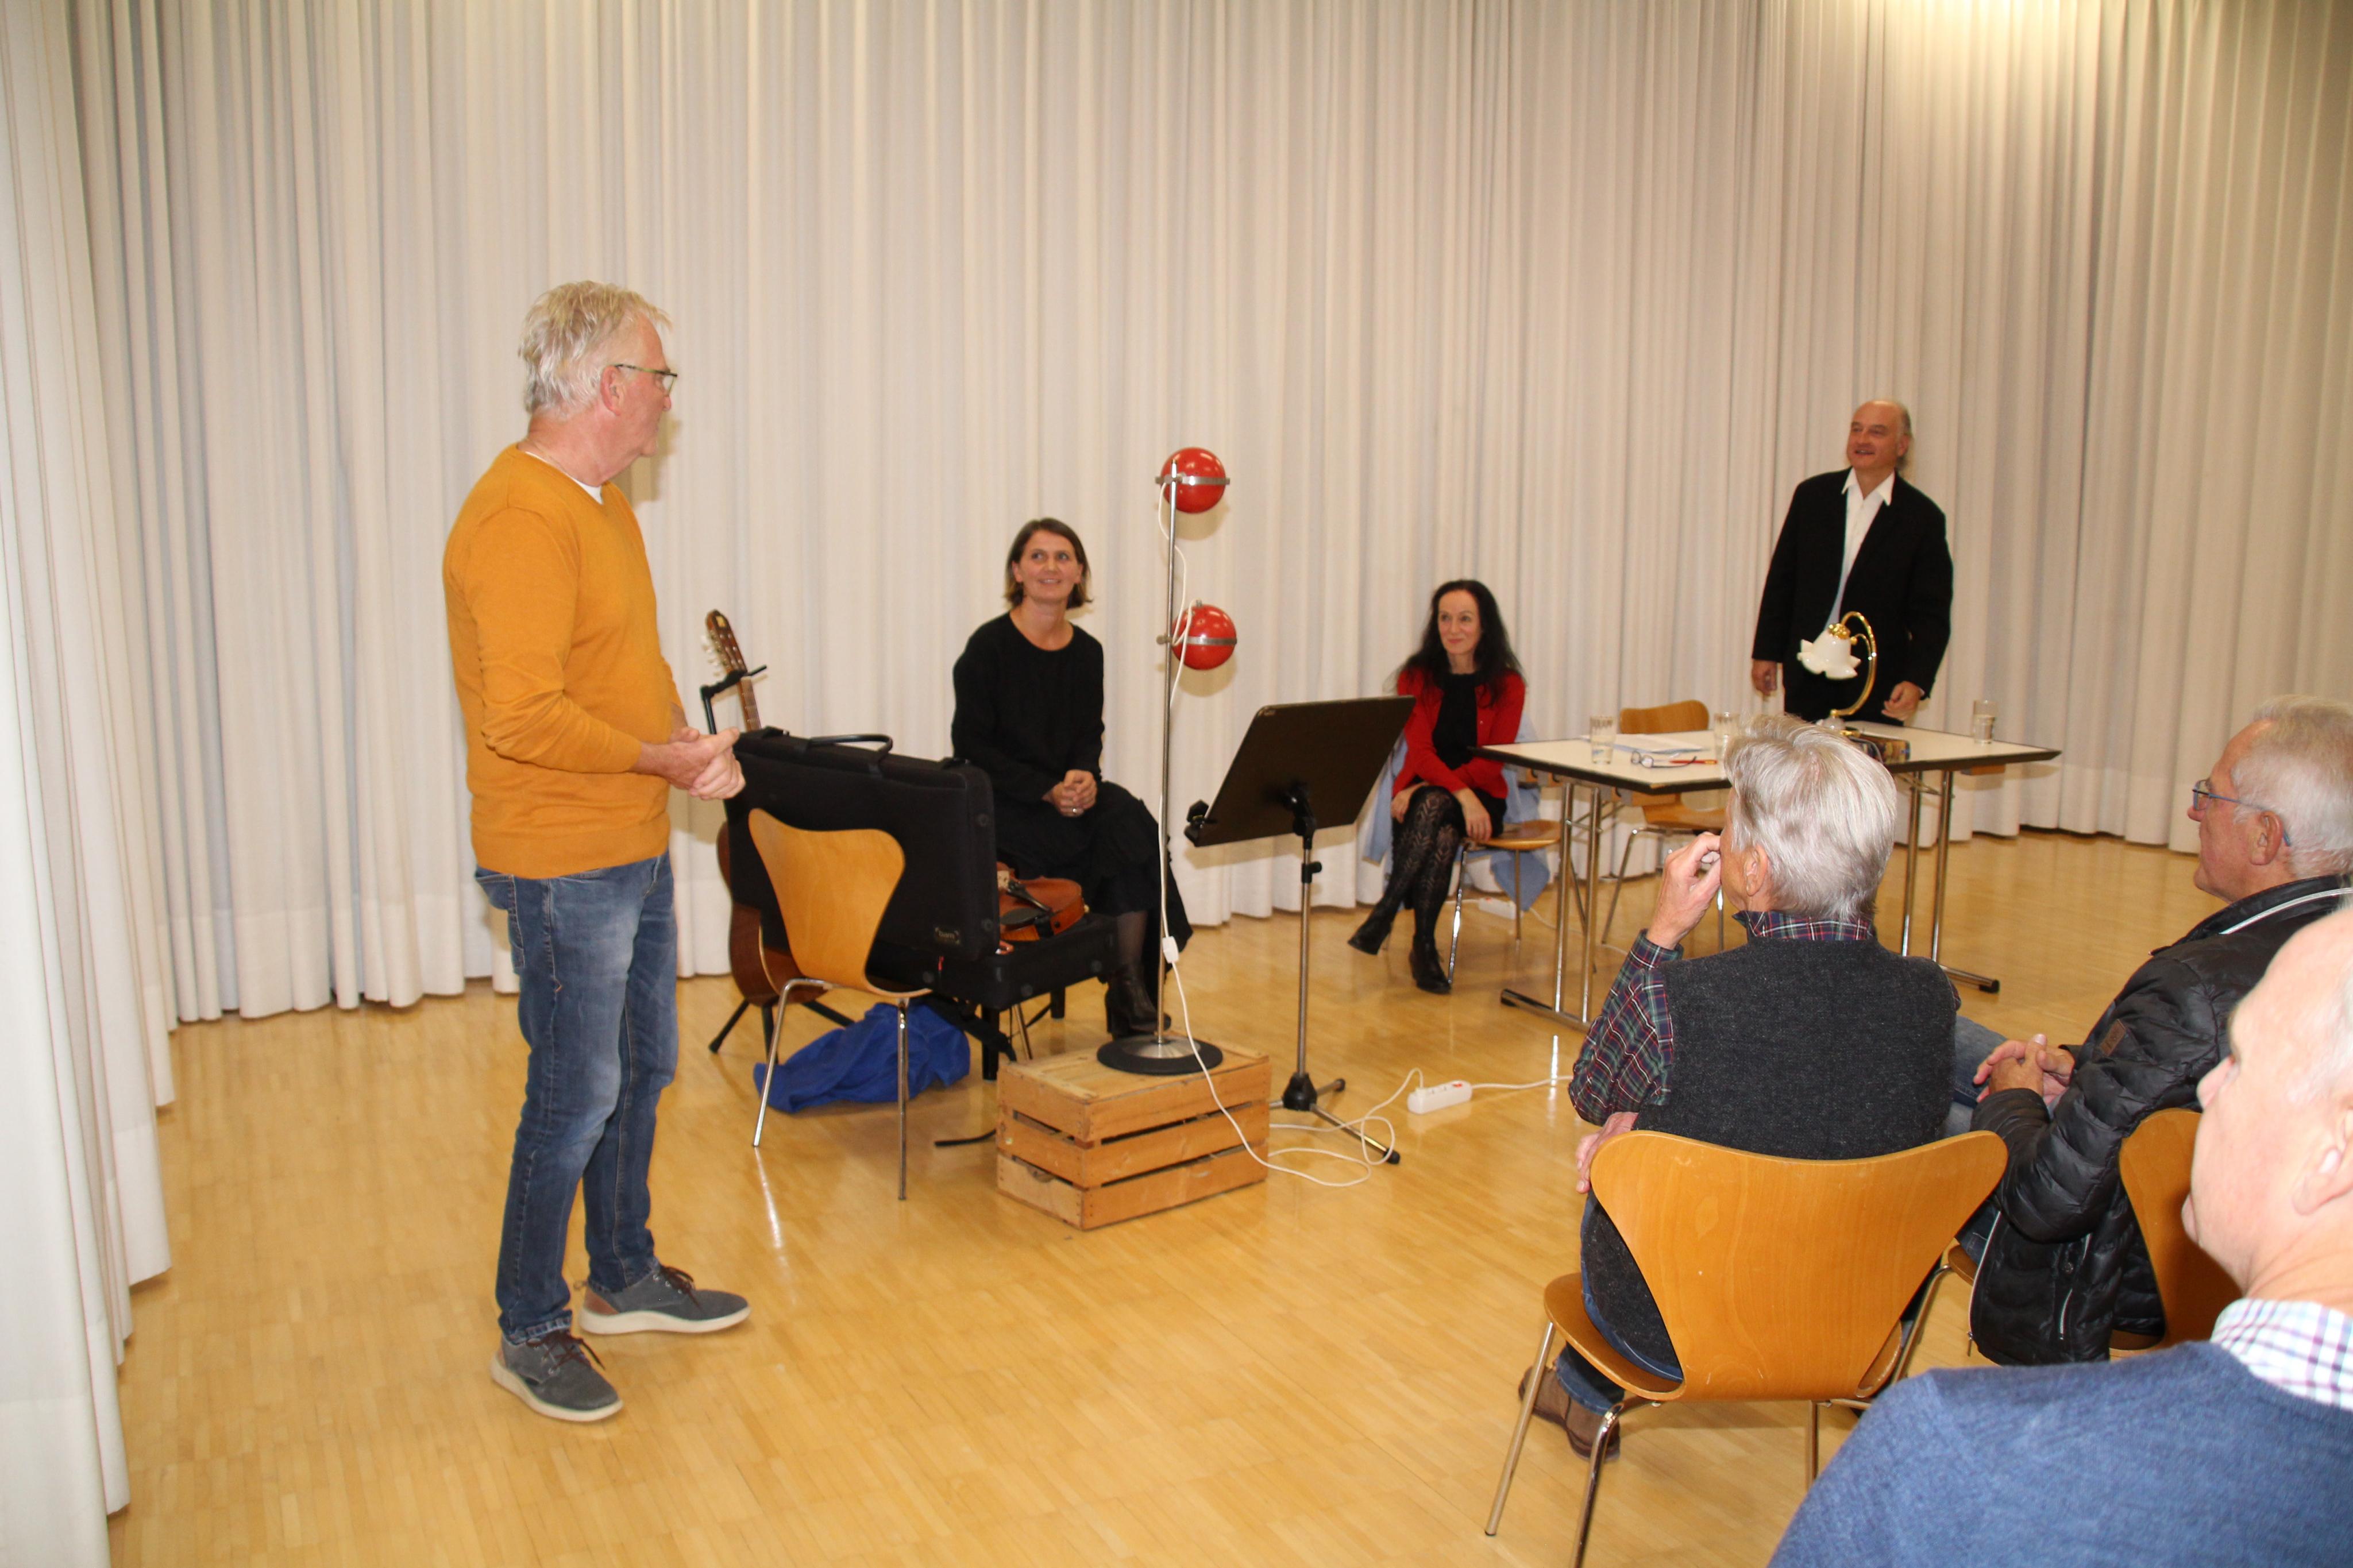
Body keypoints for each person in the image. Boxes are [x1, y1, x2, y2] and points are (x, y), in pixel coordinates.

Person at [1773, 907, 2353, 1567]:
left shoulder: (1952, 1452)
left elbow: (2050, 1196)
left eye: (2241, 1061)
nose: (2208, 1086)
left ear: (2336, 1153)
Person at [444, 283, 751, 1423]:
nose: (669, 399)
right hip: (559, 858)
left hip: (627, 838)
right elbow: (521, 717)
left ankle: (621, 1274)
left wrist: (685, 747)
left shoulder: (603, 504)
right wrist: (659, 761)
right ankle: (530, 1325)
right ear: (607, 386)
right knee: (574, 1095)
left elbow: (632, 661)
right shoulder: (518, 520)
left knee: (644, 1066)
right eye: (659, 377)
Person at [1527, 716, 1955, 1457]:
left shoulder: (1684, 999)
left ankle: (1583, 1387)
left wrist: (1661, 933)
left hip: (1676, 1328)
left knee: (1624, 1145)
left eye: (1726, 830)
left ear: (1752, 871)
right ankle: (1581, 1384)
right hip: (1856, 1320)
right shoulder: (1928, 996)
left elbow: (1592, 1091)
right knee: (1670, 1128)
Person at [1954, 695, 2353, 1365]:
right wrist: (2087, 1071)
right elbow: (2174, 1083)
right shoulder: (2327, 939)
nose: (2194, 812)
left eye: (2210, 796)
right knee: (1940, 1036)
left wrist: (2017, 1098)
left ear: (2265, 836)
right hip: (2239, 1225)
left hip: (2120, 1267)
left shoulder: (2192, 986)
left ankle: (1854, 1332)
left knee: (1910, 1110)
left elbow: (2050, 1199)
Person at [951, 519, 1189, 1040]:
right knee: (1119, 841)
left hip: (1067, 797)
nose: (1051, 567)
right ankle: (1128, 992)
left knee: (1131, 824)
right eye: (1038, 556)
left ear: (1079, 573)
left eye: (1063, 557)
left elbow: (1088, 733)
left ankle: (1129, 985)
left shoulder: (1088, 651)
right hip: (1008, 805)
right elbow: (971, 747)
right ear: (1018, 571)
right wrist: (1046, 790)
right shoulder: (988, 647)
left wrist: (1083, 776)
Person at [1346, 581, 1527, 994]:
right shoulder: (1416, 677)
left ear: (1484, 626)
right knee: (1441, 826)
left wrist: (1447, 791)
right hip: (1435, 795)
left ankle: (1387, 912)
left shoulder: (1508, 684)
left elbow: (1492, 761)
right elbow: (1422, 752)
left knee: (1431, 804)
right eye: (1445, 618)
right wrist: (1451, 792)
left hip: (1482, 797)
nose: (1453, 629)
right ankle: (1423, 948)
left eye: (1465, 619)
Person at [1749, 399, 1952, 724]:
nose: (1862, 440)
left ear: (1902, 445)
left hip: (1876, 677)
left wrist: (1917, 680)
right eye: (1857, 430)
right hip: (1808, 668)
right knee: (1803, 754)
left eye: (1877, 432)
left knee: (1866, 757)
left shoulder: (1922, 517)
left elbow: (1932, 614)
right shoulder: (1813, 496)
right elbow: (1782, 581)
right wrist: (1766, 653)